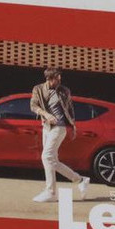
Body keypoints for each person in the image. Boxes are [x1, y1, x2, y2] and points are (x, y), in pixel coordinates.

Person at [29, 67, 90, 203]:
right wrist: (46, 115)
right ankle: (80, 180)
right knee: (52, 161)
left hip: (59, 127)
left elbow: (70, 108)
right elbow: (33, 106)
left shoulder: (64, 90)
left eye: (60, 77)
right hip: (46, 127)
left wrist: (73, 125)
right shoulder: (38, 89)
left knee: (46, 157)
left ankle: (51, 192)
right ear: (49, 78)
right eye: (57, 78)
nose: (60, 79)